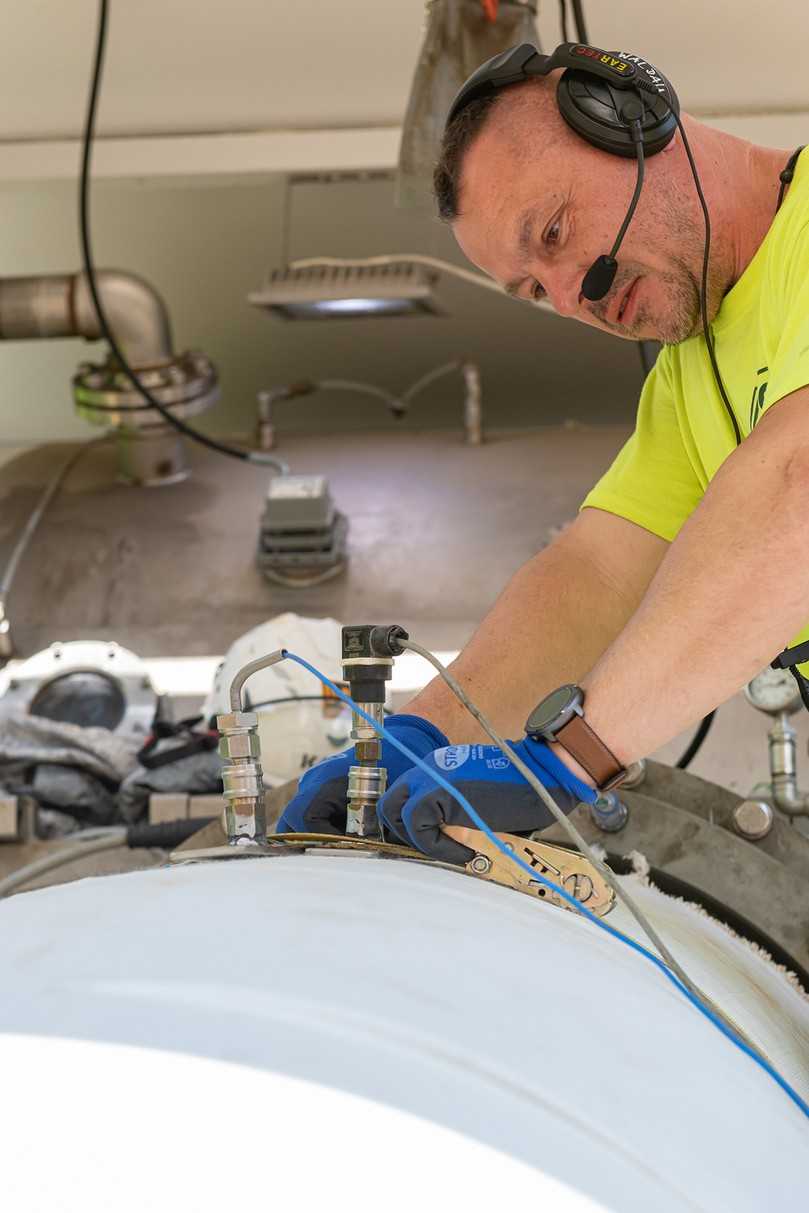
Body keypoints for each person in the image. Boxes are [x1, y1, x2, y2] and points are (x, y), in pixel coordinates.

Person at [279, 46, 809, 863]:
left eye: (554, 234)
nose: (572, 297)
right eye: (534, 291)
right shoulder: (686, 379)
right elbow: (596, 575)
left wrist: (570, 758)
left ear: (634, 121)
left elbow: (796, 483)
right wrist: (421, 736)